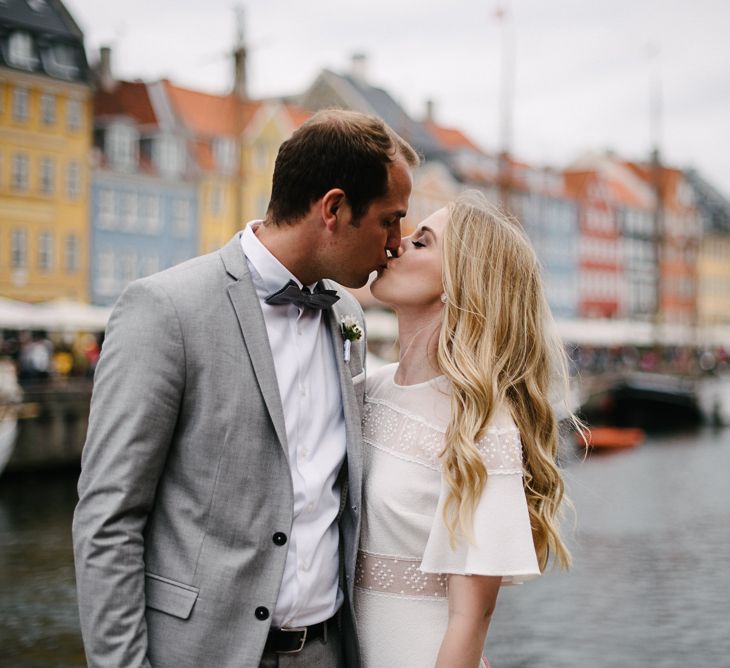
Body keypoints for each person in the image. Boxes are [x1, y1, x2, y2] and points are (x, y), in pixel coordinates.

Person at [72, 109, 419, 668]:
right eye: (389, 220)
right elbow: (108, 518)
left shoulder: (347, 315)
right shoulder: (166, 310)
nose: (397, 243)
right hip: (201, 652)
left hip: (328, 652)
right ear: (333, 208)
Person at [355, 190, 576, 667]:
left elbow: (470, 619)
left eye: (421, 242)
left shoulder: (477, 425)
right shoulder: (363, 389)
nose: (396, 245)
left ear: (458, 282)